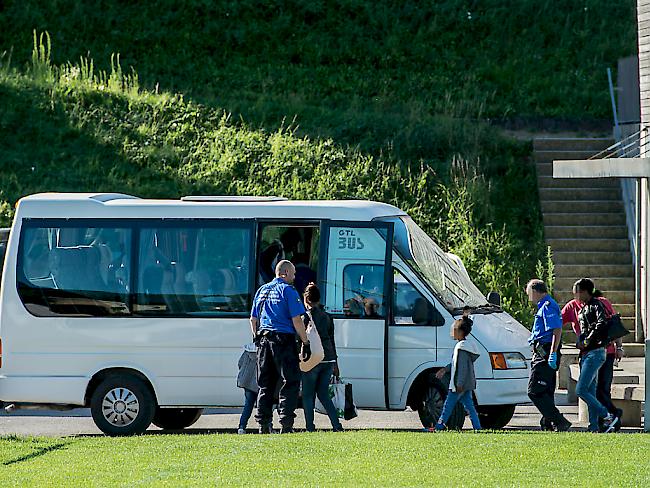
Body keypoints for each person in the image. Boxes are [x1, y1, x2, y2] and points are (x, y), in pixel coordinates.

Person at [250, 260, 311, 434]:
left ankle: (263, 424)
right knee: (290, 381)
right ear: (284, 273)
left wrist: (256, 337)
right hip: (283, 340)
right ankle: (286, 423)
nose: (294, 277)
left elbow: (253, 319)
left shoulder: (262, 290)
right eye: (292, 274)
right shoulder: (288, 291)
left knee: (265, 384)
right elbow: (297, 320)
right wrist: (305, 342)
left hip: (263, 340)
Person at [561, 284, 624, 428]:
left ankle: (609, 416)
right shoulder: (576, 306)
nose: (575, 296)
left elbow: (612, 324)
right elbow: (559, 320)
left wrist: (618, 346)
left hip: (602, 351)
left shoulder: (598, 304)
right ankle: (595, 425)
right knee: (591, 390)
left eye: (576, 293)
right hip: (589, 352)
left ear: (583, 292)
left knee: (591, 389)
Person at [525, 279, 572, 432]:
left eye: (528, 292)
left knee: (534, 391)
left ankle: (559, 421)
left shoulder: (547, 305)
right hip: (543, 350)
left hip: (545, 352)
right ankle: (548, 423)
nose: (528, 296)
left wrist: (552, 353)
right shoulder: (544, 305)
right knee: (546, 390)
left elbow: (556, 331)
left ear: (534, 290)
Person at [300, 282, 344, 433]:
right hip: (329, 359)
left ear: (306, 300)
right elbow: (332, 340)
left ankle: (310, 427)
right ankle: (336, 425)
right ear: (319, 299)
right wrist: (336, 363)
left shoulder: (305, 317)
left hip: (313, 359)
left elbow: (301, 338)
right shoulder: (328, 317)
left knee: (307, 394)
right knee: (323, 394)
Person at [434, 312, 482, 431]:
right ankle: (477, 427)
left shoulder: (462, 348)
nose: (452, 332)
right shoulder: (464, 346)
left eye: (454, 329)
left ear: (460, 332)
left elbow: (462, 368)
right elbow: (455, 364)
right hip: (466, 384)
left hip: (458, 385)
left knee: (448, 405)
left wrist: (459, 383)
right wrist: (445, 370)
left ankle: (439, 426)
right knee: (470, 407)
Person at [236, 342, 258, 434]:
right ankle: (264, 425)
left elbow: (240, 363)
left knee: (248, 405)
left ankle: (242, 426)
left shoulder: (247, 350)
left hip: (247, 382)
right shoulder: (264, 350)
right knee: (264, 405)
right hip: (259, 383)